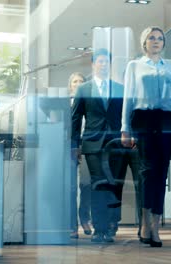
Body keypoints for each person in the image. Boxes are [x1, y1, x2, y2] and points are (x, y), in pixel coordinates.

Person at [121, 26, 171, 248]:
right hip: (143, 119)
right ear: (144, 42)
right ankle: (145, 224)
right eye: (151, 37)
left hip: (167, 120)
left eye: (160, 38)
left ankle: (155, 227)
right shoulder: (134, 66)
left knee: (161, 173)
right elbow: (128, 98)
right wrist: (125, 128)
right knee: (147, 171)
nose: (156, 41)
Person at [72, 48, 141, 243]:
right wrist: (74, 144)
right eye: (99, 61)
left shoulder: (120, 89)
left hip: (115, 144)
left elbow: (128, 115)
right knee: (98, 184)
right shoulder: (83, 89)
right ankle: (99, 229)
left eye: (106, 62)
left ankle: (112, 225)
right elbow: (75, 118)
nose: (103, 65)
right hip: (93, 143)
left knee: (113, 184)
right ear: (93, 64)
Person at [68, 72, 92, 239]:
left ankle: (84, 218)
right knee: (70, 188)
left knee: (86, 186)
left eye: (81, 81)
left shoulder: (90, 102)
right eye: (75, 81)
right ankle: (72, 225)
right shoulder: (64, 104)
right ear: (70, 85)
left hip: (87, 145)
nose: (78, 84)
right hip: (70, 146)